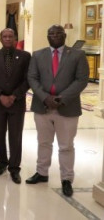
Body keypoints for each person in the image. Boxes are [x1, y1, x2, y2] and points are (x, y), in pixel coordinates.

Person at [26, 24, 89, 197]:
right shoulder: (38, 55)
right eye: (51, 33)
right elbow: (32, 77)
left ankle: (66, 179)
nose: (54, 35)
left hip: (67, 108)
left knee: (66, 145)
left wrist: (61, 99)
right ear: (47, 36)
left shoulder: (77, 54)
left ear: (64, 35)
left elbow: (82, 80)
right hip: (42, 106)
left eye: (58, 33)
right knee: (43, 142)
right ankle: (42, 173)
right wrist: (45, 97)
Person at [0, 28, 31, 184]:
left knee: (15, 136)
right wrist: (0, 95)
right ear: (0, 39)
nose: (8, 38)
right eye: (5, 36)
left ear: (15, 38)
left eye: (11, 36)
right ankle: (2, 162)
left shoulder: (25, 56)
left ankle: (14, 168)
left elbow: (28, 80)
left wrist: (14, 96)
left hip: (16, 103)